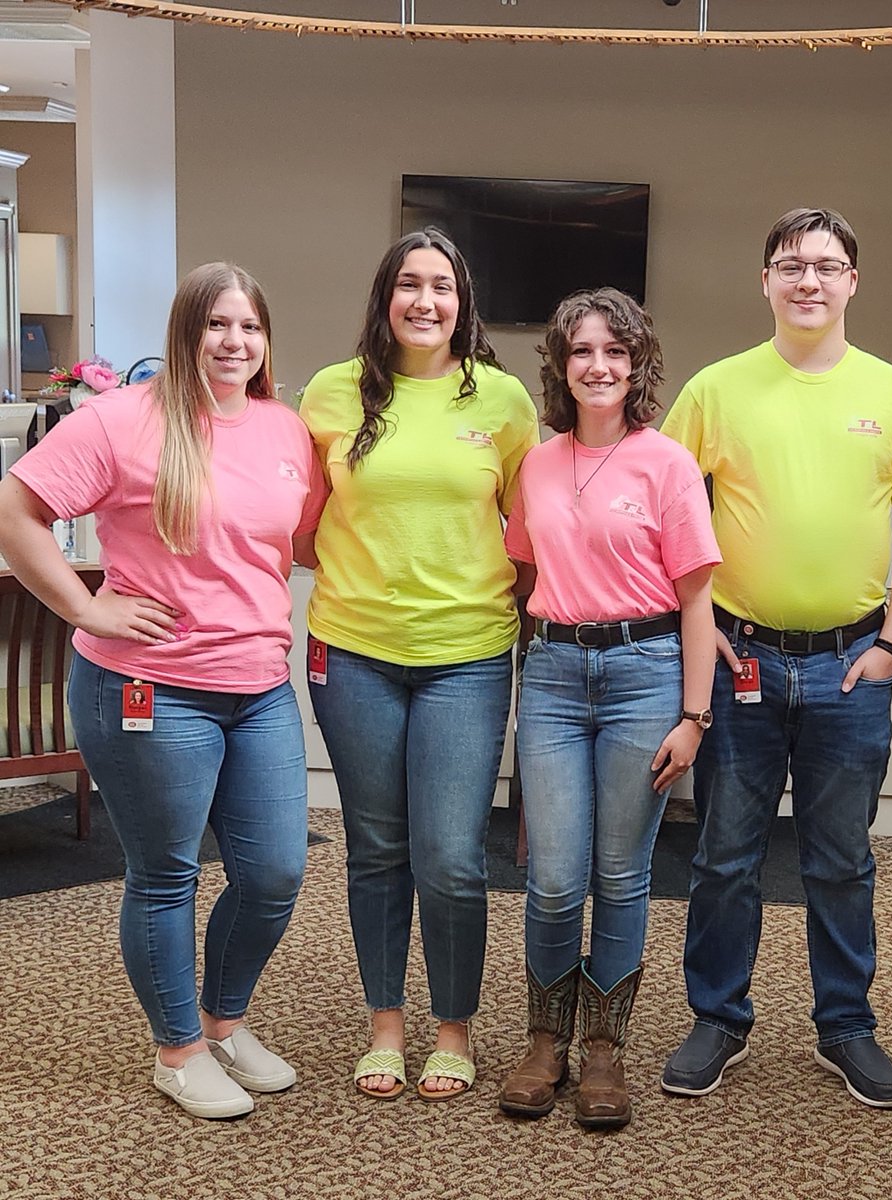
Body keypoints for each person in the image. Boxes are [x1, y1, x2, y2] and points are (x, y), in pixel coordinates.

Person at [0, 263, 328, 1119]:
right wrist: (84, 605)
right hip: (148, 689)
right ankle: (177, 1049)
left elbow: (306, 543)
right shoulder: (121, 420)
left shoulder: (283, 431)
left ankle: (223, 1023)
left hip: (258, 685)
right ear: (186, 332)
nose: (234, 343)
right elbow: (15, 507)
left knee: (275, 872)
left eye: (250, 327)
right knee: (167, 874)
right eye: (217, 325)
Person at [659, 207, 892, 1107]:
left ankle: (846, 1028)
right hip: (742, 657)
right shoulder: (716, 390)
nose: (809, 281)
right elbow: (667, 513)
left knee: (840, 858)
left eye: (827, 266)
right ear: (765, 281)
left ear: (852, 282)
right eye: (791, 265)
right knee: (724, 854)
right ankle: (718, 1017)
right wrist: (698, 631)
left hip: (851, 664)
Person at [300, 228, 539, 1102]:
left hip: (467, 658)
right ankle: (385, 1026)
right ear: (385, 297)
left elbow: (528, 535)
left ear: (462, 302)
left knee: (450, 855)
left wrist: (478, 605)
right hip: (354, 651)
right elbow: (302, 527)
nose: (426, 301)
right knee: (377, 848)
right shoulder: (332, 393)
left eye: (442, 286)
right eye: (409, 284)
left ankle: (453, 1029)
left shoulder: (505, 401)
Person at [498, 289, 721, 1129]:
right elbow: (522, 573)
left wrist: (694, 716)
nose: (598, 366)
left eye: (615, 352)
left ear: (637, 365)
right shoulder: (539, 462)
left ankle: (603, 1051)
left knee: (622, 873)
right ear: (560, 363)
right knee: (556, 878)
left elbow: (698, 599)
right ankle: (544, 1041)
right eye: (582, 351)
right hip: (554, 673)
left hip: (645, 673)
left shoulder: (664, 462)